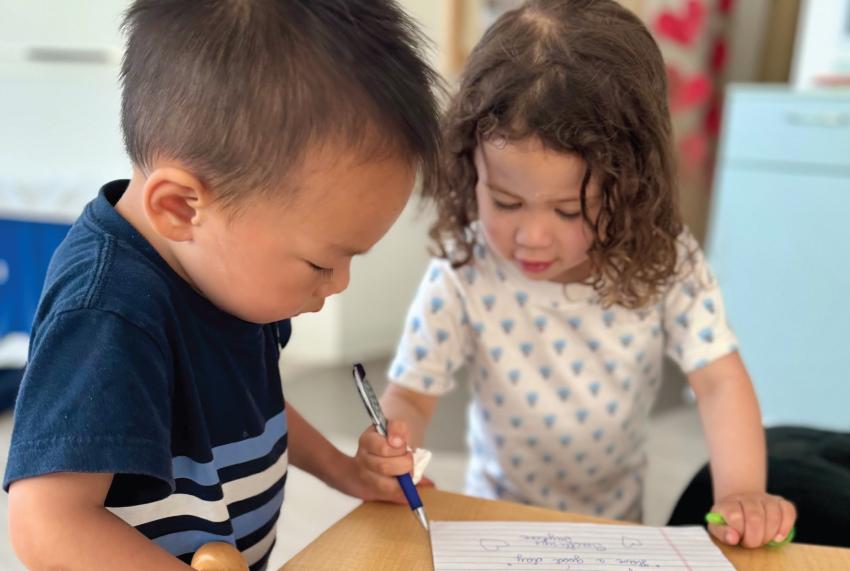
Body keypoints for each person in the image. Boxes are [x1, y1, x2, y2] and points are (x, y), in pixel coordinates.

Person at [4, 1, 441, 569]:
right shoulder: (108, 316)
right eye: (321, 264)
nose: (339, 284)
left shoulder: (222, 272)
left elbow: (253, 401)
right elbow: (46, 524)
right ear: (182, 208)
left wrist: (343, 469)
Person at [356, 0, 796, 549]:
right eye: (506, 200)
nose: (532, 236)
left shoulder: (664, 262)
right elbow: (413, 397)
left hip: (613, 527)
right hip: (492, 519)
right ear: (471, 167)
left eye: (569, 210)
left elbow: (719, 380)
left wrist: (741, 492)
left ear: (631, 186)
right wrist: (394, 451)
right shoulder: (465, 270)